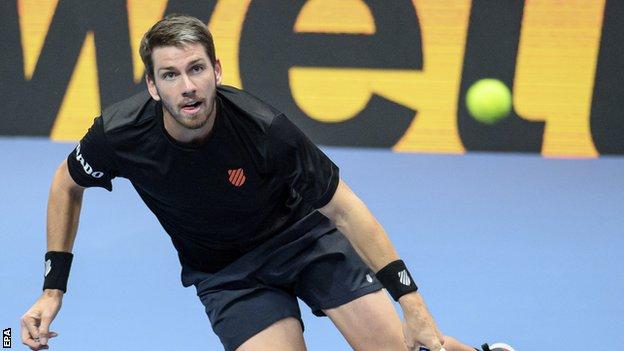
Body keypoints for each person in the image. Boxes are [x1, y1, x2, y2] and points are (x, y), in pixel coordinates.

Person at [20, 14, 513, 351]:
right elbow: (67, 184)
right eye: (169, 75)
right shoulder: (120, 136)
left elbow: (346, 209)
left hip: (305, 240)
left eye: (196, 69)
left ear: (216, 70)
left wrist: (415, 307)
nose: (187, 86)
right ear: (151, 86)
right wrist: (52, 290)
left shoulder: (264, 128)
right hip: (227, 274)